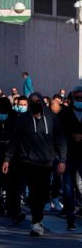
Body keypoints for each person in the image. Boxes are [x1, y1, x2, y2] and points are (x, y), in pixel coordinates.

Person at [3, 92, 66, 237]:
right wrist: (7, 158)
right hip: (28, 161)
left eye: (37, 101)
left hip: (46, 162)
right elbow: (15, 140)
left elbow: (61, 140)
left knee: (43, 192)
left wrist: (62, 160)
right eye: (32, 101)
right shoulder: (23, 120)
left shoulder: (51, 118)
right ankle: (36, 223)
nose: (35, 103)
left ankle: (38, 218)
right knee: (34, 192)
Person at [59, 86, 82, 231]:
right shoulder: (65, 113)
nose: (79, 101)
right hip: (68, 155)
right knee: (68, 188)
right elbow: (59, 133)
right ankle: (70, 219)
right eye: (77, 98)